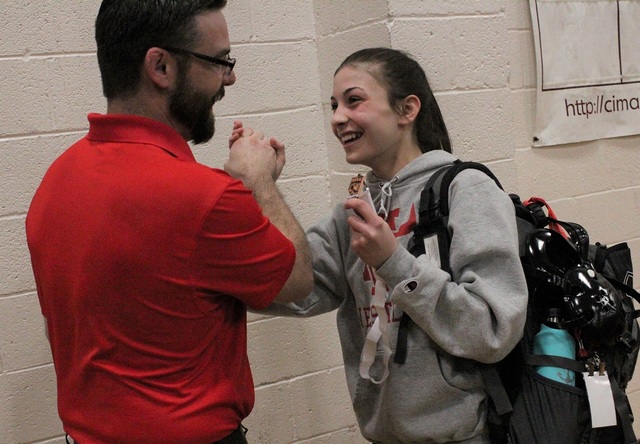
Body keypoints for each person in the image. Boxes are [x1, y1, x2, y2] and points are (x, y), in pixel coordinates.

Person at [25, 1, 312, 443]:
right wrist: (259, 183)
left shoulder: (55, 181)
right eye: (220, 62)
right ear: (160, 66)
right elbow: (297, 279)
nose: (229, 78)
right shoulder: (208, 198)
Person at [259, 47, 529, 443]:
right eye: (334, 105)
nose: (337, 118)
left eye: (354, 100)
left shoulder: (467, 190)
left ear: (407, 110)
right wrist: (261, 190)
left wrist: (393, 262)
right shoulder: (352, 210)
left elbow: (493, 329)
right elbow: (291, 288)